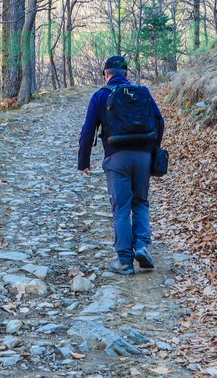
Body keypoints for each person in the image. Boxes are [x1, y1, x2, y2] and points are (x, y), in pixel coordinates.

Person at [78, 56, 164, 275]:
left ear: (106, 74)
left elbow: (88, 131)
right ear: (126, 74)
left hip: (117, 158)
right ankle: (143, 246)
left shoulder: (100, 96)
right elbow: (159, 120)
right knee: (141, 202)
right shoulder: (142, 92)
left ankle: (125, 261)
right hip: (144, 156)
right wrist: (153, 149)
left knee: (121, 208)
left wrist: (84, 162)